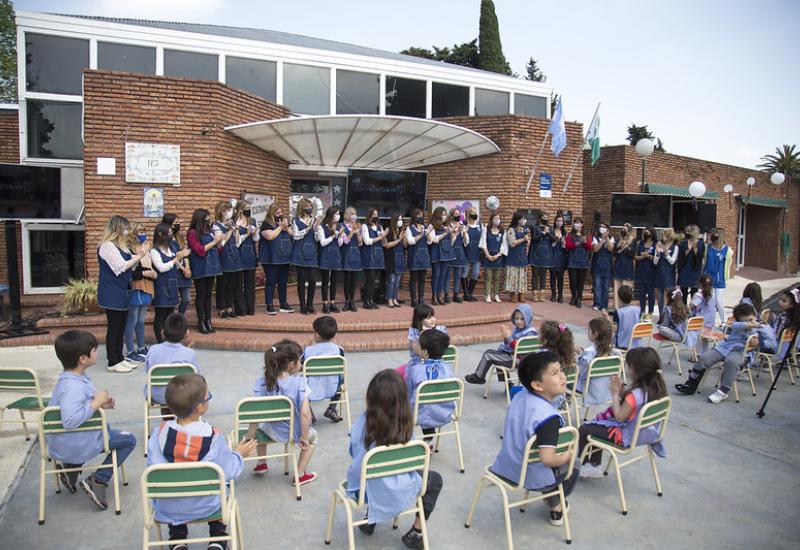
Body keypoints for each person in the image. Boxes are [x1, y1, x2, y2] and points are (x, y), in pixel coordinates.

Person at [147, 373, 256, 549]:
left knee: (175, 482)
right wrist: (238, 454)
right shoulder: (213, 438)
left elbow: (154, 468)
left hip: (168, 506)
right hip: (207, 506)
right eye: (207, 397)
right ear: (200, 407)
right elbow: (229, 471)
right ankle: (218, 538)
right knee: (223, 484)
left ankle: (177, 538)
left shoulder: (157, 435)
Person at [346, 369, 443, 549]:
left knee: (371, 474)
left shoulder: (361, 425)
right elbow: (414, 464)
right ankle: (416, 532)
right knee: (434, 480)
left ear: (370, 398)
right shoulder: (407, 427)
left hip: (363, 492)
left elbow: (354, 457)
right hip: (401, 488)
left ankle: (370, 519)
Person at [47, 330, 137, 509]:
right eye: (95, 350)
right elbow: (70, 421)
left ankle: (70, 471)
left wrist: (99, 405)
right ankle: (98, 480)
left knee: (107, 426)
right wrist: (96, 403)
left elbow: (75, 408)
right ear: (83, 358)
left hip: (62, 443)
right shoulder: (74, 387)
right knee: (128, 440)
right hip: (77, 443)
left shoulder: (67, 380)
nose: (97, 353)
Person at [489, 351, 577, 526]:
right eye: (555, 373)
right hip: (529, 476)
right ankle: (556, 505)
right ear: (537, 385)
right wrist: (567, 457)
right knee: (575, 463)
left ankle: (552, 499)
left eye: (560, 371)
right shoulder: (548, 418)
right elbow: (548, 458)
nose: (562, 376)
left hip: (505, 465)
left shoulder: (520, 395)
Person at [578, 347, 667, 479]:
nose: (626, 368)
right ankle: (593, 465)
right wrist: (621, 392)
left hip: (627, 436)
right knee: (597, 426)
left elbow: (619, 417)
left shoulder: (634, 395)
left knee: (585, 429)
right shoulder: (658, 389)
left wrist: (614, 393)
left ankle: (584, 465)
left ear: (636, 370)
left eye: (628, 365)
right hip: (647, 434)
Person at [250, 340, 317, 485]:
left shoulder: (262, 382)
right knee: (314, 437)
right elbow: (305, 413)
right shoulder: (300, 382)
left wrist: (250, 435)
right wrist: (303, 437)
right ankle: (299, 474)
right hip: (293, 433)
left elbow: (255, 412)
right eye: (300, 360)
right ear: (292, 364)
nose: (301, 363)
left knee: (261, 425)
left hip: (270, 429)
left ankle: (262, 462)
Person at [675, 303, 759, 403]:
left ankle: (723, 392)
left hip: (741, 351)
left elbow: (755, 343)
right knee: (704, 358)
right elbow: (736, 326)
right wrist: (750, 324)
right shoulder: (738, 325)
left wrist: (753, 329)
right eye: (746, 321)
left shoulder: (757, 328)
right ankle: (691, 383)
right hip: (726, 346)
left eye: (750, 319)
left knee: (731, 362)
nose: (749, 322)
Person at [97, 215, 148, 373]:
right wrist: (139, 256)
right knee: (114, 327)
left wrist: (139, 255)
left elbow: (130, 266)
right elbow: (120, 267)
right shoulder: (107, 246)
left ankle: (119, 357)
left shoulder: (122, 247)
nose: (127, 231)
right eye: (125, 228)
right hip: (111, 291)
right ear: (118, 229)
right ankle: (113, 361)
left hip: (123, 291)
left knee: (121, 326)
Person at [465, 303, 536, 385]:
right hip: (513, 356)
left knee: (488, 355)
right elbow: (509, 345)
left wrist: (509, 337)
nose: (518, 321)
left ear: (528, 318)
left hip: (520, 360)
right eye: (516, 318)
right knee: (497, 354)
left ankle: (478, 377)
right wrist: (506, 336)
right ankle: (508, 385)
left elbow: (520, 349)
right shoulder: (517, 329)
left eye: (522, 319)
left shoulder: (530, 332)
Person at [407, 329, 455, 444]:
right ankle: (429, 440)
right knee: (430, 404)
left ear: (425, 352)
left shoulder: (416, 370)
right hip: (445, 413)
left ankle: (403, 440)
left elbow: (408, 393)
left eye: (419, 344)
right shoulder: (448, 369)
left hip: (420, 415)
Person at [144, 312, 198, 407]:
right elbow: (195, 377)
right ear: (186, 334)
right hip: (182, 396)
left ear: (162, 331)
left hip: (157, 395)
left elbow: (148, 370)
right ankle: (183, 418)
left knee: (165, 388)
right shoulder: (190, 354)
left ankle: (167, 419)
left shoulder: (153, 350)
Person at [150, 223, 190, 343]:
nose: (171, 236)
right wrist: (175, 260)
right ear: (161, 235)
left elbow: (177, 264)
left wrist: (182, 262)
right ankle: (159, 340)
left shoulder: (171, 249)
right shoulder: (154, 251)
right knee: (161, 314)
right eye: (168, 234)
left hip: (172, 284)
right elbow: (161, 267)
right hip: (161, 286)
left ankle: (169, 338)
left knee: (170, 314)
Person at [303, 315, 346, 424]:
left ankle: (308, 411)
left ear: (316, 334)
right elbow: (340, 366)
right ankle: (332, 408)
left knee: (300, 381)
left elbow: (300, 365)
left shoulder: (309, 351)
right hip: (333, 385)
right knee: (342, 379)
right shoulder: (338, 350)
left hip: (311, 386)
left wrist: (307, 345)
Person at [188, 208, 224, 334]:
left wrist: (219, 242)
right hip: (200, 266)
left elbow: (218, 249)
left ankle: (208, 320)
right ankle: (201, 321)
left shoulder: (209, 231)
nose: (210, 220)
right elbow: (199, 250)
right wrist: (214, 241)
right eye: (207, 217)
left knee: (208, 295)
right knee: (201, 294)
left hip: (212, 265)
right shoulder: (192, 233)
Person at [125, 222, 156, 363]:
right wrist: (147, 273)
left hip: (147, 286)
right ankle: (131, 350)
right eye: (139, 231)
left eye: (144, 231)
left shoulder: (147, 248)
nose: (142, 234)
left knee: (141, 320)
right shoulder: (129, 250)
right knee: (132, 320)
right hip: (135, 286)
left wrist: (152, 273)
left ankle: (141, 347)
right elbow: (132, 271)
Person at [259, 202, 295, 315]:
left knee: (283, 282)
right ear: (272, 213)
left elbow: (293, 234)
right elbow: (270, 236)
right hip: (271, 259)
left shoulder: (285, 223)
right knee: (271, 281)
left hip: (284, 258)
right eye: (277, 212)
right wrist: (280, 227)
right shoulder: (266, 224)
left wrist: (287, 228)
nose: (280, 214)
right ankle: (269, 304)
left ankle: (283, 303)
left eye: (281, 212)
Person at [576, 317, 620, 404]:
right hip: (606, 390)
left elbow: (578, 371)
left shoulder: (589, 353)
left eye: (589, 330)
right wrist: (583, 353)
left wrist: (580, 356)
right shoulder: (615, 353)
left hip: (588, 389)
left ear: (595, 334)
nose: (587, 332)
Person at [402, 303, 448, 380]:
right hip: (419, 363)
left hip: (437, 364)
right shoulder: (414, 333)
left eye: (433, 316)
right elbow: (420, 353)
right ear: (420, 320)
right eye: (428, 318)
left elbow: (442, 348)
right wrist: (423, 335)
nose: (433, 319)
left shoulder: (440, 330)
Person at [212, 200, 241, 319]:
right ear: (222, 212)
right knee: (222, 284)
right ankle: (221, 308)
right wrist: (230, 230)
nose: (231, 212)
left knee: (231, 284)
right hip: (223, 257)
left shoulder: (232, 223)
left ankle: (230, 306)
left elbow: (238, 241)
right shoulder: (216, 225)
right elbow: (221, 242)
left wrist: (236, 229)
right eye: (228, 210)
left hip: (234, 255)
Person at [291, 198, 320, 315]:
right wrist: (308, 228)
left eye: (310, 206)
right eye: (307, 206)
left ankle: (310, 304)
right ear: (301, 207)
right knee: (301, 279)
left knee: (313, 279)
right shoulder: (295, 220)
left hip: (312, 252)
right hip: (300, 253)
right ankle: (302, 305)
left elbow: (317, 238)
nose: (309, 208)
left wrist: (316, 229)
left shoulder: (315, 220)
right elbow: (296, 236)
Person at [161, 213, 192, 316]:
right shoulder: (164, 239)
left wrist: (187, 267)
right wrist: (183, 268)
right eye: (175, 223)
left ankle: (180, 317)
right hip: (174, 271)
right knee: (172, 300)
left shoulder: (179, 237)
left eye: (178, 222)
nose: (178, 225)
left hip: (183, 273)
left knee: (186, 299)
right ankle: (171, 322)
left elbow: (185, 253)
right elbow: (171, 257)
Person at [702, 227, 733, 326]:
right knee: (711, 300)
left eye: (715, 234)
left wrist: (726, 277)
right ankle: (710, 320)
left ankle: (723, 321)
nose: (712, 236)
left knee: (718, 301)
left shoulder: (727, 250)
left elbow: (728, 264)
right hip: (709, 278)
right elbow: (704, 261)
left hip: (720, 280)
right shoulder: (708, 247)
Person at [234, 199, 259, 316]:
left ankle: (250, 308)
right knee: (238, 284)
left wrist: (254, 233)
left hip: (250, 253)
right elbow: (236, 241)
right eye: (246, 208)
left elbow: (256, 239)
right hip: (239, 254)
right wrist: (246, 233)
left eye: (249, 208)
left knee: (250, 284)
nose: (248, 211)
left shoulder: (252, 220)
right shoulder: (234, 222)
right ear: (240, 209)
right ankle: (241, 309)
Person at [361, 207, 389, 309]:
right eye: (374, 215)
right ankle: (366, 301)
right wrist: (380, 237)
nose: (376, 217)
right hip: (369, 256)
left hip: (378, 256)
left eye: (377, 215)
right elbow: (367, 241)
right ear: (369, 216)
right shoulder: (364, 226)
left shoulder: (379, 227)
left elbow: (384, 244)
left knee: (375, 280)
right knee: (369, 280)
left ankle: (371, 300)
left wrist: (384, 236)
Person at [317, 206, 344, 314]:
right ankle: (325, 303)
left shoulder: (339, 226)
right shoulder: (321, 226)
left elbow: (340, 244)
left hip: (336, 255)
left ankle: (332, 302)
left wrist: (340, 236)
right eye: (336, 214)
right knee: (325, 281)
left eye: (339, 214)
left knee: (334, 281)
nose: (338, 216)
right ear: (331, 214)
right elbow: (322, 242)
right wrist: (333, 236)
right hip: (325, 255)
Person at [406, 208, 433, 306]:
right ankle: (413, 299)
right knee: (413, 279)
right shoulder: (410, 228)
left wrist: (428, 233)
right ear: (414, 217)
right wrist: (421, 234)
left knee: (422, 279)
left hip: (424, 257)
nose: (420, 217)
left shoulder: (425, 227)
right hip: (414, 257)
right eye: (418, 215)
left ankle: (421, 298)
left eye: (421, 215)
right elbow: (410, 241)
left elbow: (430, 241)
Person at [479, 210, 507, 303]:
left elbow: (504, 245)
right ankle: (487, 294)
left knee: (497, 277)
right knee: (488, 277)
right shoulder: (486, 229)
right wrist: (487, 255)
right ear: (491, 220)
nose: (497, 220)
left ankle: (496, 294)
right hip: (488, 256)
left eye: (498, 218)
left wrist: (498, 255)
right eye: (495, 218)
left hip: (498, 257)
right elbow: (483, 243)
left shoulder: (503, 231)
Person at [339, 206, 363, 312]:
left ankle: (352, 301)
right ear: (348, 215)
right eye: (352, 213)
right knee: (347, 280)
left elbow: (361, 243)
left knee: (354, 281)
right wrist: (352, 231)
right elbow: (345, 241)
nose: (354, 215)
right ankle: (346, 301)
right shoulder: (342, 226)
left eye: (355, 213)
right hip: (347, 255)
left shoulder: (357, 226)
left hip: (356, 255)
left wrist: (357, 232)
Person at [565, 217, 592, 308]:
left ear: (582, 224)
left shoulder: (586, 234)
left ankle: (579, 298)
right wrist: (575, 244)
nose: (577, 224)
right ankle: (574, 296)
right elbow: (567, 246)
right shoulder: (570, 234)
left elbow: (589, 247)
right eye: (575, 223)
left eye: (579, 223)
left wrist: (584, 242)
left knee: (581, 282)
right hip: (572, 261)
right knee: (573, 280)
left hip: (583, 261)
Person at [429, 206, 454, 305]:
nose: (444, 216)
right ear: (438, 215)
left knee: (443, 275)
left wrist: (452, 233)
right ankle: (434, 297)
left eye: (445, 214)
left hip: (446, 252)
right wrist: (445, 233)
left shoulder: (446, 226)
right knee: (436, 275)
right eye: (442, 214)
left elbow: (451, 241)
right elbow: (433, 239)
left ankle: (439, 296)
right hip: (436, 252)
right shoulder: (432, 226)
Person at [653, 228, 678, 323]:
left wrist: (666, 254)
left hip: (669, 274)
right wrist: (658, 252)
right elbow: (655, 262)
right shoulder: (659, 245)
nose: (662, 237)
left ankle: (669, 317)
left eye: (663, 235)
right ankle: (661, 316)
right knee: (660, 297)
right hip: (660, 273)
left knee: (669, 297)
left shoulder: (675, 247)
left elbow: (672, 262)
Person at [529, 212, 555, 303]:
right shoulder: (534, 228)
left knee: (543, 275)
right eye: (544, 217)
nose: (545, 219)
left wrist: (548, 233)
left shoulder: (550, 228)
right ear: (540, 218)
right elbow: (534, 239)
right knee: (535, 274)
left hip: (546, 254)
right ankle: (534, 293)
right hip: (536, 254)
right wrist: (543, 233)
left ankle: (542, 293)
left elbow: (553, 239)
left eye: (547, 218)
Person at [505, 212, 530, 303]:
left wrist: (527, 240)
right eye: (522, 219)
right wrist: (523, 239)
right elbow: (512, 243)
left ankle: (521, 294)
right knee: (513, 276)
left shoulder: (524, 230)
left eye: (524, 219)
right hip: (513, 256)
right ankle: (513, 294)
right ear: (517, 219)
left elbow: (528, 243)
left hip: (522, 256)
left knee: (522, 277)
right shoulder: (511, 229)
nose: (524, 221)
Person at [590, 222, 615, 311]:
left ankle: (604, 305)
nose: (602, 228)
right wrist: (602, 240)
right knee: (597, 286)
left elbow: (610, 248)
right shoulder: (595, 238)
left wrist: (607, 238)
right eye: (601, 227)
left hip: (607, 266)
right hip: (597, 265)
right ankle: (597, 303)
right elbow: (595, 249)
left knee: (605, 287)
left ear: (608, 229)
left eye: (604, 227)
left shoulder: (611, 238)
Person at [384, 214, 407, 308]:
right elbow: (387, 245)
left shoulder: (401, 231)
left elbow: (405, 245)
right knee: (392, 279)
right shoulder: (389, 230)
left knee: (397, 280)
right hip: (391, 257)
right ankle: (389, 299)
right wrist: (399, 239)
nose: (400, 221)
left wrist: (403, 237)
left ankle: (395, 298)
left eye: (401, 219)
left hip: (400, 257)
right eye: (398, 219)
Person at [612, 223, 636, 310]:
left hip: (627, 266)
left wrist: (626, 246)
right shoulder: (618, 240)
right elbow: (614, 253)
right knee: (617, 287)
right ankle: (617, 308)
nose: (623, 231)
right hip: (619, 265)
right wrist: (620, 247)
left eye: (625, 229)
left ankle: (625, 307)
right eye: (623, 229)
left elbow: (632, 254)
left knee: (626, 287)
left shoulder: (633, 241)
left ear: (629, 231)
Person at [690, 274, 717, 354]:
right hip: (710, 323)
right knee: (704, 339)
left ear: (700, 284)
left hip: (700, 322)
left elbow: (692, 305)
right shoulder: (712, 294)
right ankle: (703, 353)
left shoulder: (699, 295)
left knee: (697, 337)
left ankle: (696, 354)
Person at [677, 224, 704, 299]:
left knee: (694, 292)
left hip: (694, 270)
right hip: (685, 269)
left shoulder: (700, 244)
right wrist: (688, 249)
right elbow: (681, 256)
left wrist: (695, 250)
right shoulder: (683, 243)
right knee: (683, 293)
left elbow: (700, 256)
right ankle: (683, 309)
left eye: (690, 231)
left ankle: (693, 309)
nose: (688, 233)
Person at [634, 226, 657, 317]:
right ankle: (642, 311)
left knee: (651, 294)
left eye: (649, 231)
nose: (647, 232)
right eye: (646, 231)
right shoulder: (640, 243)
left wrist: (649, 256)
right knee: (641, 293)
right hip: (641, 271)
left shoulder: (656, 243)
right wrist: (642, 257)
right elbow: (635, 257)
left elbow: (657, 258)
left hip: (651, 271)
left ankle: (650, 312)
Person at [447, 207, 468, 303]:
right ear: (451, 215)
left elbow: (466, 241)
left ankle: (456, 293)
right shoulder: (449, 226)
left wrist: (464, 233)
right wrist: (456, 231)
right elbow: (451, 241)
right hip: (451, 252)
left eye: (459, 214)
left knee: (457, 275)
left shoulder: (461, 225)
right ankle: (446, 294)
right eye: (456, 214)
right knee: (448, 275)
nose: (457, 216)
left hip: (460, 252)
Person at [612, 285, 641, 350]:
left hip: (621, 343)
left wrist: (606, 317)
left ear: (619, 297)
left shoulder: (618, 312)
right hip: (636, 343)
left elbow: (614, 328)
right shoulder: (638, 309)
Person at [463, 206, 482, 302]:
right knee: (465, 273)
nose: (475, 215)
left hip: (477, 253)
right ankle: (465, 294)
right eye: (472, 213)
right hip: (466, 253)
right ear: (468, 215)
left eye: (475, 213)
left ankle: (470, 293)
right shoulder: (464, 225)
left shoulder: (480, 226)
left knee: (475, 273)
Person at [549, 215, 568, 303]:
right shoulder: (551, 231)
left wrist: (564, 243)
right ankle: (553, 294)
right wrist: (555, 241)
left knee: (560, 277)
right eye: (558, 220)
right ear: (555, 221)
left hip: (561, 256)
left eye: (561, 221)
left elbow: (567, 246)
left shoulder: (565, 232)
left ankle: (560, 295)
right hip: (553, 255)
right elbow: (549, 244)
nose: (559, 222)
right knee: (553, 277)